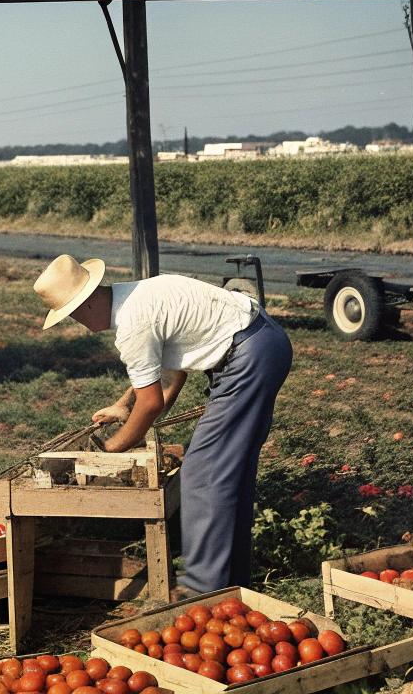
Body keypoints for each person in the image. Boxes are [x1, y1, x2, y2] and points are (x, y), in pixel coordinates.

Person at [32, 254, 292, 594]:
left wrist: (113, 449)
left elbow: (152, 403)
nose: (78, 322)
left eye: (74, 314)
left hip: (248, 357)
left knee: (203, 471)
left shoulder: (131, 325)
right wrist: (124, 406)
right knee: (231, 473)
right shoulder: (136, 296)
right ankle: (232, 584)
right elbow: (172, 375)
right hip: (263, 343)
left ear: (88, 303)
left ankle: (200, 592)